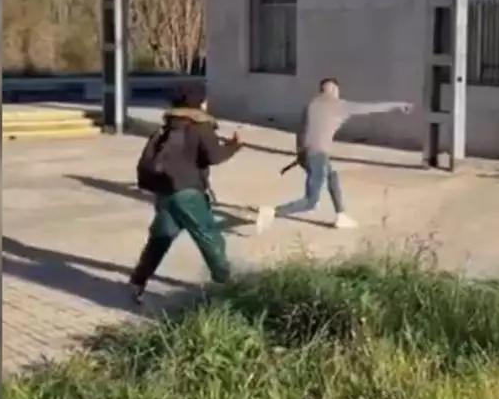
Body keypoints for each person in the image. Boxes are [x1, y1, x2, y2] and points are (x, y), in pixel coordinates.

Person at [128, 83, 241, 303]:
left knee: (160, 239)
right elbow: (214, 157)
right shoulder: (200, 125)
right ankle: (226, 284)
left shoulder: (169, 124)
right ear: (198, 102)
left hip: (165, 193)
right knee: (210, 237)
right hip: (187, 193)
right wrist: (234, 146)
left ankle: (137, 282)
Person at [255, 78, 411, 232]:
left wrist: (301, 154)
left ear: (321, 90)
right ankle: (272, 212)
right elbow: (371, 107)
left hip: (307, 153)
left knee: (332, 177)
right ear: (336, 90)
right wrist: (398, 105)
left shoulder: (311, 105)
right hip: (318, 155)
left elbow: (301, 131)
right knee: (310, 201)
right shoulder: (340, 106)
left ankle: (341, 216)